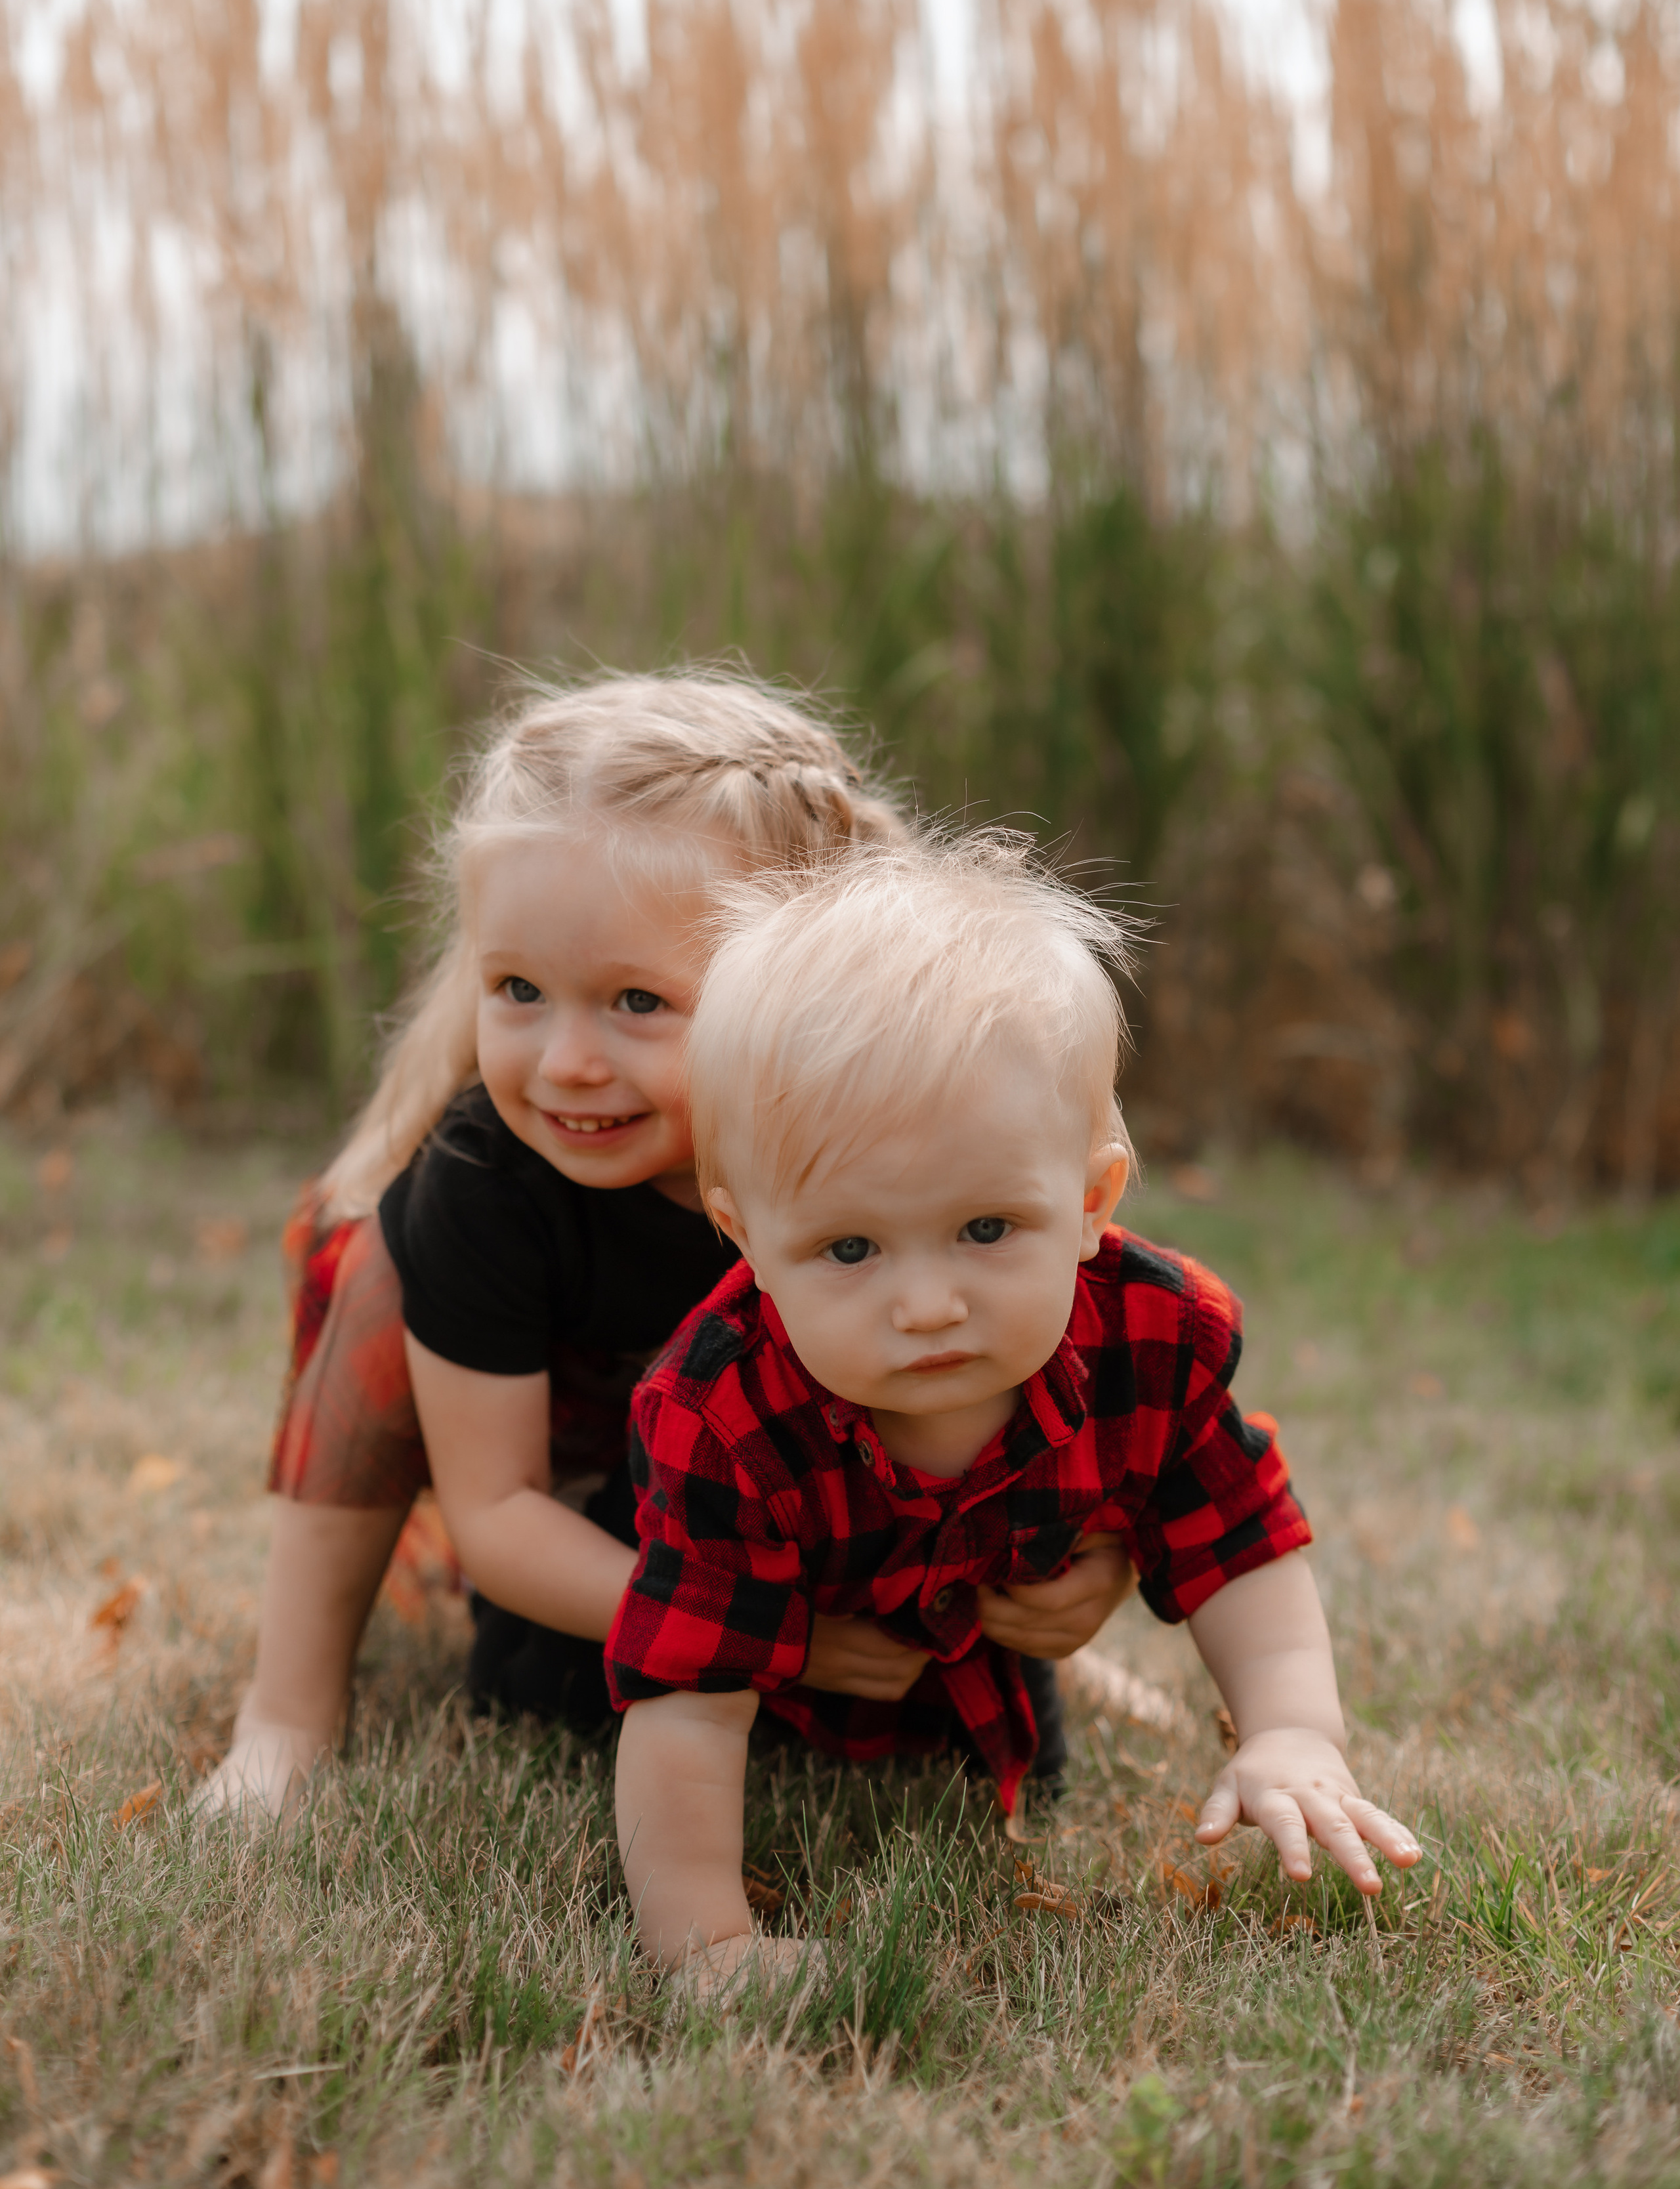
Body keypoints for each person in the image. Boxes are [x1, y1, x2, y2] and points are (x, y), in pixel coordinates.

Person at [194, 672, 1131, 1817]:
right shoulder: (485, 1184)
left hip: (800, 1498)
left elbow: (1091, 1383)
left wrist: (1099, 1569)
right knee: (375, 1270)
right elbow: (501, 1519)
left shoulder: (897, 1143)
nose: (568, 1061)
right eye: (519, 989)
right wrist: (781, 1636)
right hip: (583, 1493)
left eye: (639, 1002)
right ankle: (285, 1714)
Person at [607, 834, 1422, 1985]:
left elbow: (1239, 1546)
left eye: (987, 1230)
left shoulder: (1149, 1335)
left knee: (1020, 1761)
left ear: (1091, 1201)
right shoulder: (723, 1409)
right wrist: (704, 1946)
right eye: (850, 1247)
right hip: (784, 1695)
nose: (929, 1304)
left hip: (974, 1680)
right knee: (568, 1693)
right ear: (746, 1240)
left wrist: (1293, 1732)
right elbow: (689, 1698)